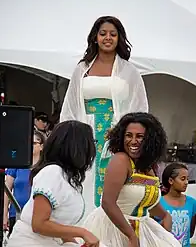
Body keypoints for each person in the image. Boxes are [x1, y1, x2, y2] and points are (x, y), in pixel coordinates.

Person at [81, 113, 196, 247]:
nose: (133, 141)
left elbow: (147, 200)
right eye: (128, 135)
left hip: (141, 225)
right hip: (115, 227)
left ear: (150, 139)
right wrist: (131, 237)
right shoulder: (120, 160)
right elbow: (108, 203)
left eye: (140, 137)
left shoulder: (149, 165)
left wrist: (165, 215)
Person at [60, 16, 148, 214]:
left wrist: (130, 135)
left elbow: (140, 106)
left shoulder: (129, 71)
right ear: (95, 38)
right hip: (86, 131)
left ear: (119, 38)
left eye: (113, 34)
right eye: (103, 33)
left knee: (113, 179)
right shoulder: (82, 69)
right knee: (85, 177)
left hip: (117, 133)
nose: (108, 38)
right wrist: (70, 137)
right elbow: (71, 104)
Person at [3, 130, 45, 236]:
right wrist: (4, 215)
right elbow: (7, 191)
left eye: (34, 143)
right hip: (16, 213)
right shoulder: (17, 164)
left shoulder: (46, 168)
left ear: (41, 146)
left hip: (38, 216)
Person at [160, 163, 196, 247]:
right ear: (171, 181)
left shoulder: (192, 203)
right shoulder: (158, 203)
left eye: (187, 179)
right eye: (182, 179)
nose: (186, 182)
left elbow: (190, 232)